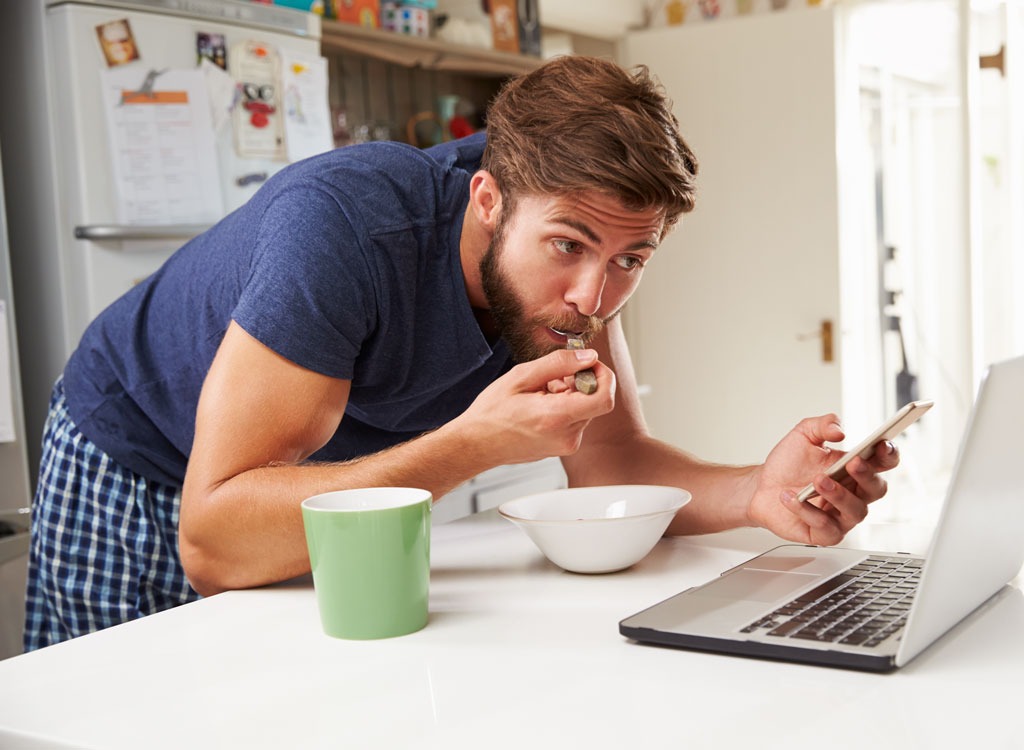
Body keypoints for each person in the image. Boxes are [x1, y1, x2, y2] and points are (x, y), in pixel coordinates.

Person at [24, 55, 899, 651]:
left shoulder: (574, 273)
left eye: (632, 258)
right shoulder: (345, 230)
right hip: (139, 454)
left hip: (296, 482)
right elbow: (214, 541)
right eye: (569, 245)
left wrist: (758, 492)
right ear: (487, 199)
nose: (595, 298)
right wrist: (475, 443)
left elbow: (614, 464)